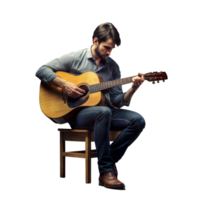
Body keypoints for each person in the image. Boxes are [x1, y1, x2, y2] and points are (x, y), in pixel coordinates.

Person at [35, 22, 146, 188]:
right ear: (95, 42)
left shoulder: (112, 67)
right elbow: (41, 70)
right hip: (76, 114)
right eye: (106, 48)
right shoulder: (75, 57)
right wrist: (65, 84)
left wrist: (133, 88)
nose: (109, 53)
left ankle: (109, 158)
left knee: (137, 120)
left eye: (112, 49)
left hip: (104, 113)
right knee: (103, 111)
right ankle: (105, 171)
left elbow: (117, 100)